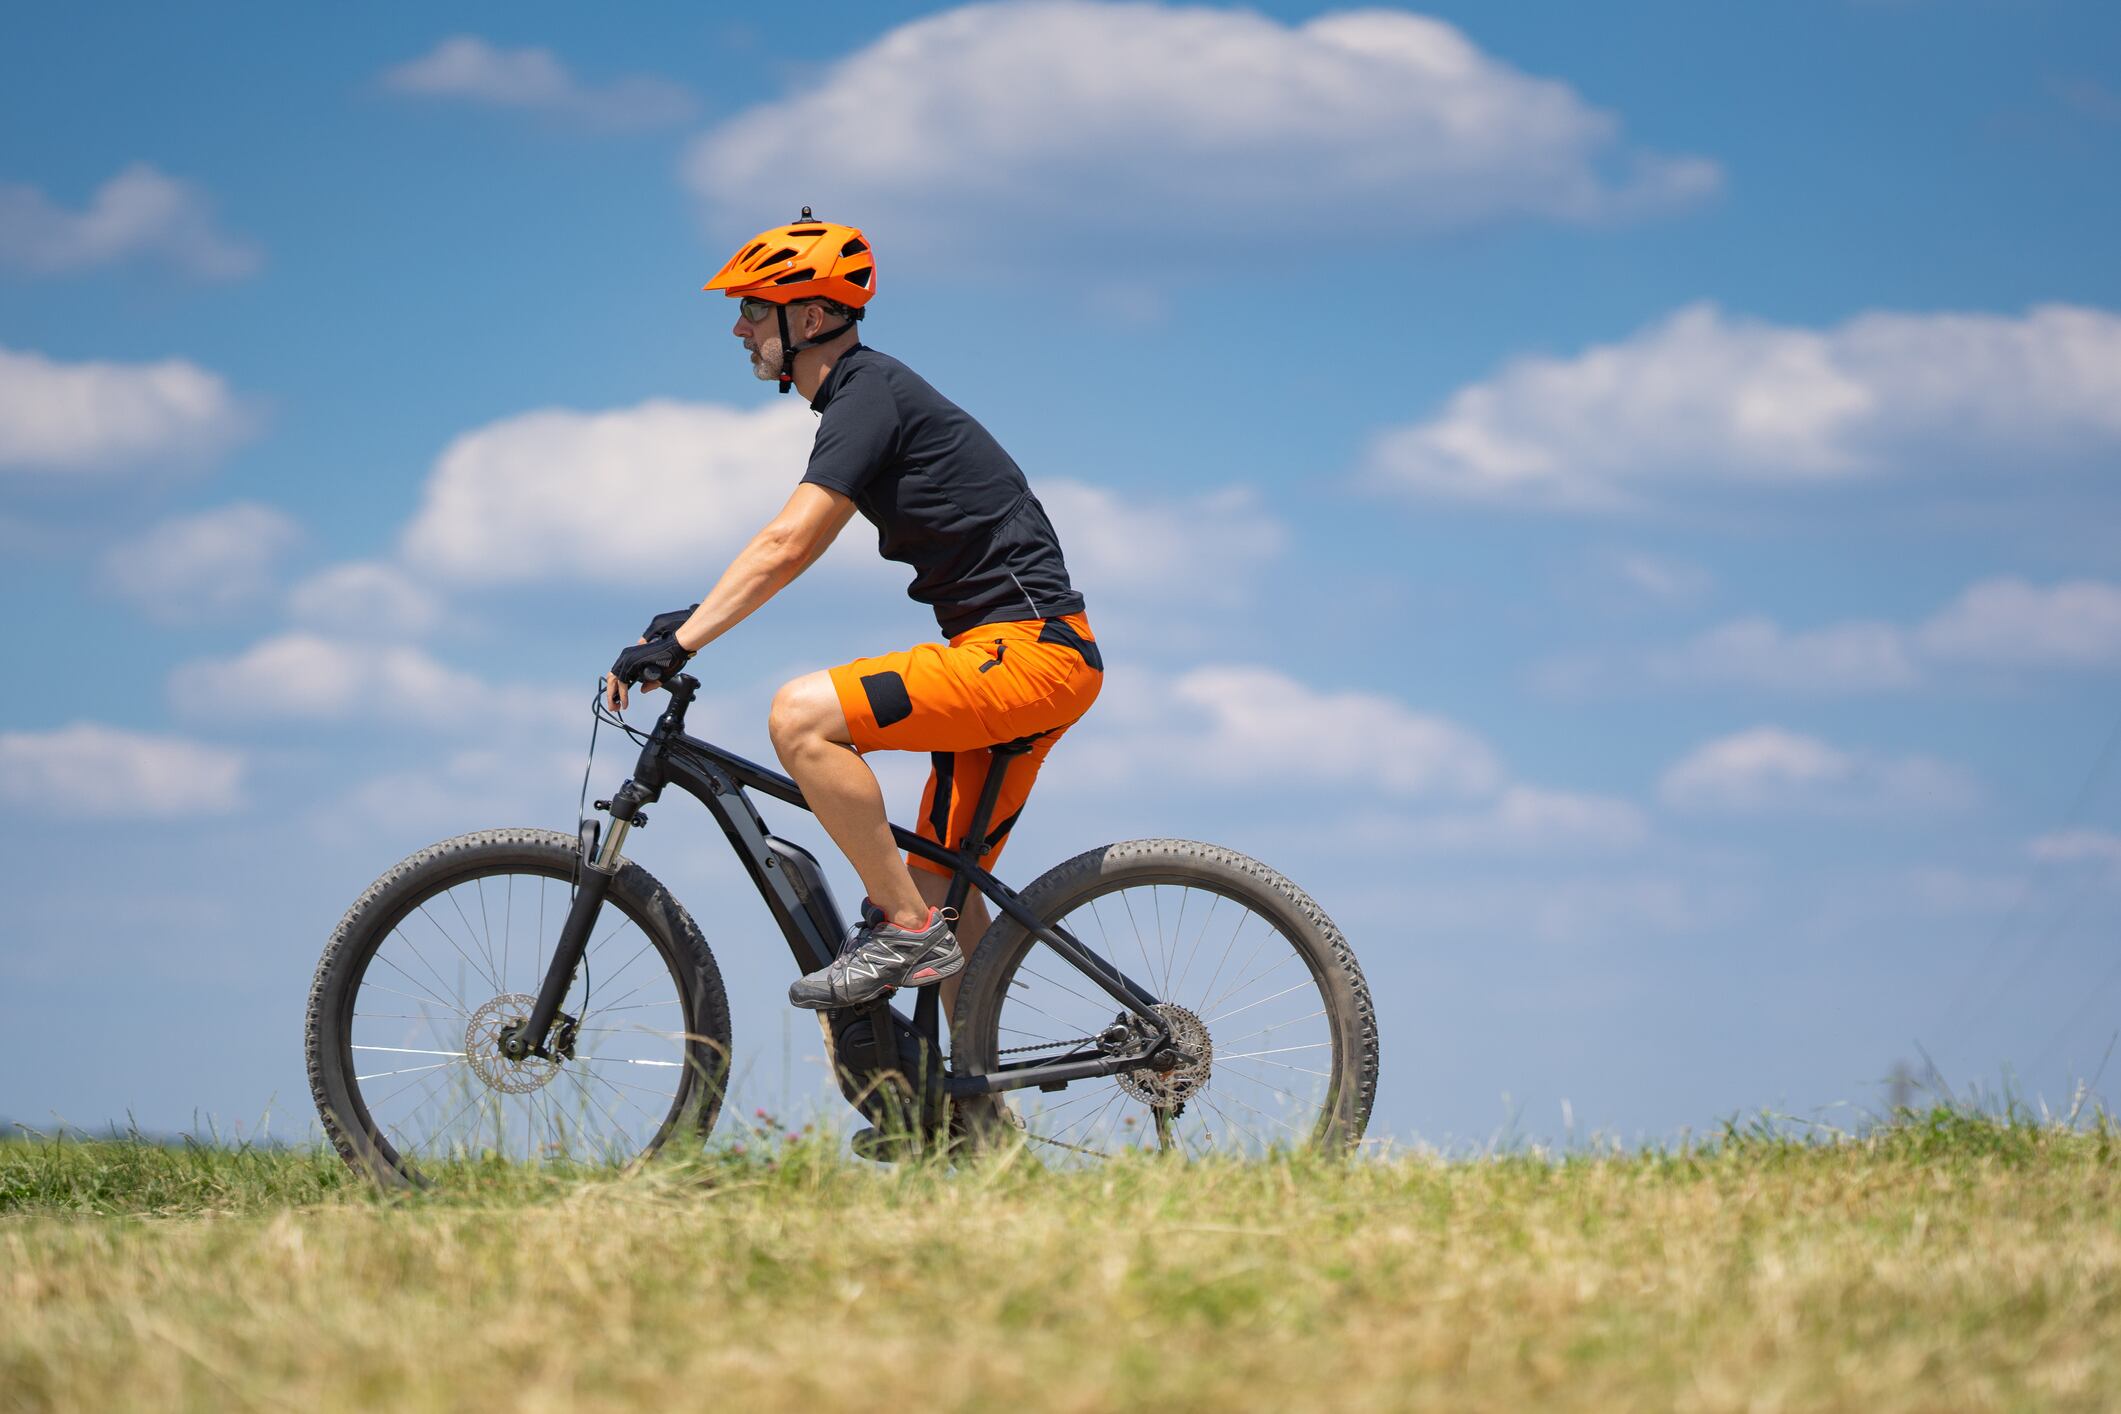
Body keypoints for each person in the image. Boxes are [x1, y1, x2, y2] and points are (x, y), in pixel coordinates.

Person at [604, 209, 1101, 1022]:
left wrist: (684, 642)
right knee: (941, 888)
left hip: (1024, 657)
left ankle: (904, 932)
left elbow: (789, 541)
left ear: (809, 316)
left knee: (801, 717)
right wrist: (694, 616)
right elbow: (795, 545)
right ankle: (975, 1122)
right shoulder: (868, 399)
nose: (737, 328)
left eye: (752, 310)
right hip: (1031, 661)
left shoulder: (867, 393)